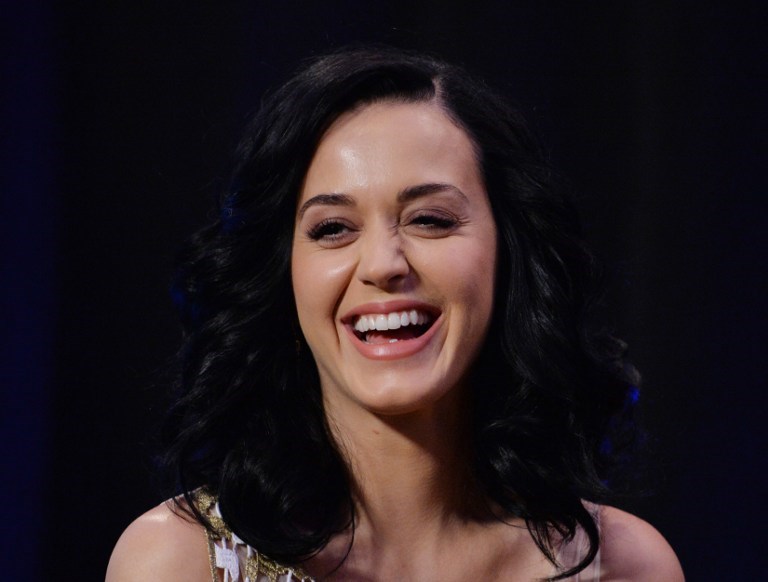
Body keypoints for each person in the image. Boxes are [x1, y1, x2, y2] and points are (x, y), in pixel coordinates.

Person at [106, 47, 683, 581]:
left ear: (510, 253)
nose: (384, 264)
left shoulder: (624, 566)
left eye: (430, 219)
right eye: (333, 228)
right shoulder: (178, 561)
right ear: (282, 275)